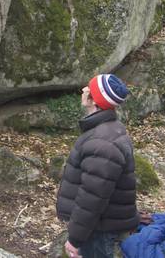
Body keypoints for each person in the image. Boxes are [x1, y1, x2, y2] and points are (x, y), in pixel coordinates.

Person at [56, 74, 139, 258]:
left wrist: (75, 239)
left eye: (89, 88)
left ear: (95, 100)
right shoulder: (107, 129)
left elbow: (92, 198)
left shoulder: (102, 143)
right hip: (99, 224)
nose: (84, 90)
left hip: (99, 229)